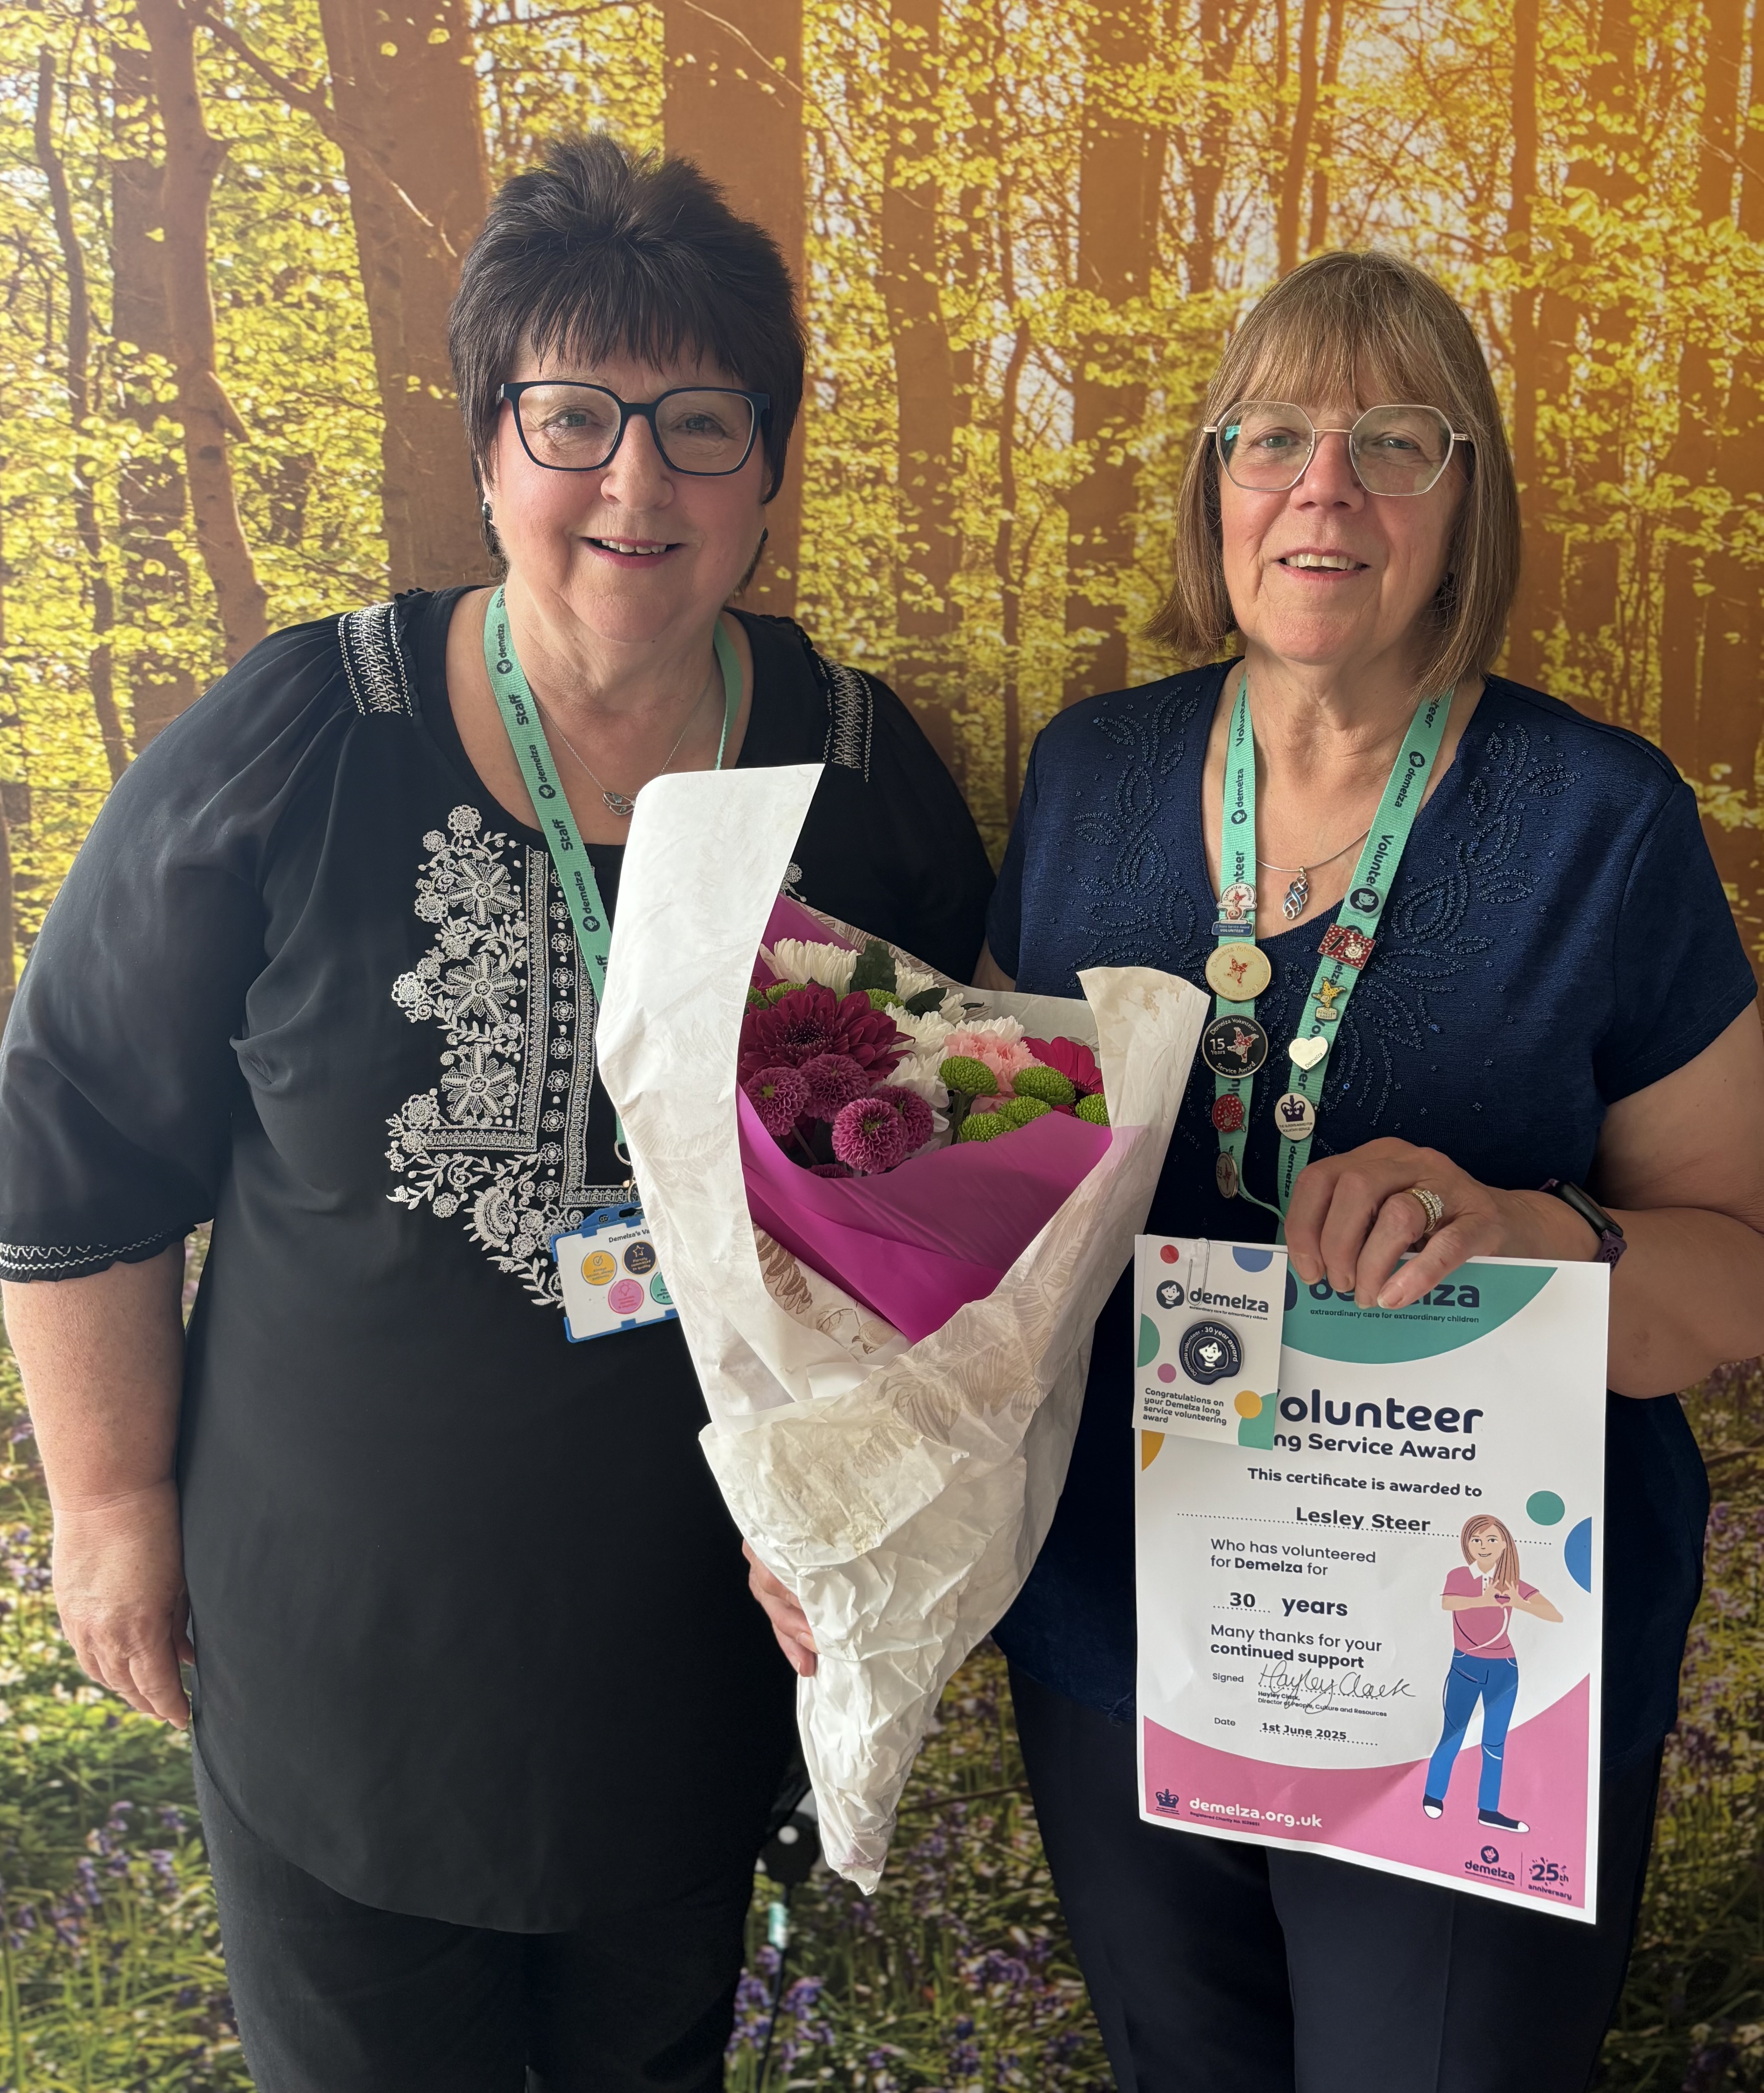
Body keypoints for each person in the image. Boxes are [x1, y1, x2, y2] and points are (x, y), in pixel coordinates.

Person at [0, 133, 993, 2093]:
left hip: (689, 1662)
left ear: (772, 475)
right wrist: (109, 1508)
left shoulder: (860, 780)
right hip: (333, 1669)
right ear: (490, 451)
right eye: (575, 416)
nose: (637, 483)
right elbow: (82, 1130)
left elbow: (956, 1218)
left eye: (702, 424)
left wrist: (880, 1512)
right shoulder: (300, 743)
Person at [748, 248, 1764, 2090]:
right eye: (1272, 435)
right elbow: (977, 1214)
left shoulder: (1602, 822)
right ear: (1212, 485)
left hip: (1472, 1664)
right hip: (1123, 1628)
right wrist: (843, 1493)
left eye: (1393, 440)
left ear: (1467, 505)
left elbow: (1737, 1276)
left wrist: (1536, 1238)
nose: (1324, 486)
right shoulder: (1090, 776)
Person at [1424, 1515, 1562, 1832]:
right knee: (1453, 1734)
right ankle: (1433, 1796)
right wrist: (1483, 1600)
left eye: (1492, 1540)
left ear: (1505, 1545)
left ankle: (1489, 1810)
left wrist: (1518, 1601)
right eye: (1477, 1540)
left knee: (1494, 1744)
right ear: (1467, 1544)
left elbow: (1553, 1614)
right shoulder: (1459, 1575)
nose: (1484, 1547)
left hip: (1504, 1669)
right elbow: (1448, 1604)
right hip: (1466, 1667)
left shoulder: (1511, 1582)